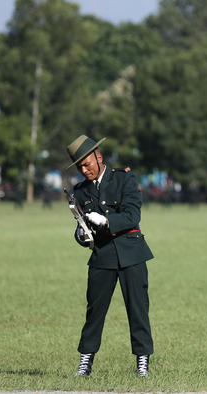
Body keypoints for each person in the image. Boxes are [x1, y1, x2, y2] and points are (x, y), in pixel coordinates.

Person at [65, 135, 154, 377]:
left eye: (87, 164)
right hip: (102, 254)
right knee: (94, 310)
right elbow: (81, 225)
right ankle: (85, 363)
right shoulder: (80, 191)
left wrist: (106, 220)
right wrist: (81, 235)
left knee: (137, 309)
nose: (84, 170)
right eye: (80, 167)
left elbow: (132, 216)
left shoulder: (125, 178)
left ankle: (142, 363)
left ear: (99, 157)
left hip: (131, 251)